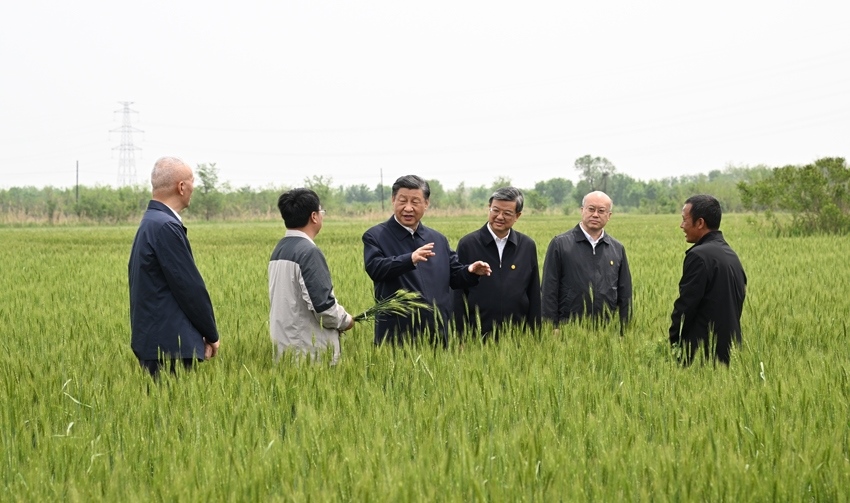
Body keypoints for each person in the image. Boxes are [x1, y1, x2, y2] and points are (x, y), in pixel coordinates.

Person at [362, 174, 492, 345]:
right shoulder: (376, 236)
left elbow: (454, 276)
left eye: (415, 202)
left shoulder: (437, 239)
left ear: (426, 203)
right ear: (393, 200)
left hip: (437, 335)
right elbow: (376, 269)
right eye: (402, 201)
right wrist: (410, 259)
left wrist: (470, 271)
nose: (408, 208)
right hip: (396, 337)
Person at [128, 156, 220, 377]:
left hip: (156, 342)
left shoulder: (151, 222)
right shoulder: (166, 226)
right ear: (181, 187)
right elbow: (189, 287)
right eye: (192, 181)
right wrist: (211, 334)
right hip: (171, 347)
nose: (193, 187)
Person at [268, 188, 355, 364]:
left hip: (285, 350)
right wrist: (346, 320)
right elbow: (323, 308)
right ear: (314, 216)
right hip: (310, 354)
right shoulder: (308, 252)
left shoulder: (279, 249)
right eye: (321, 211)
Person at [453, 187, 541, 340]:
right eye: (495, 210)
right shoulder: (468, 244)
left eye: (507, 213)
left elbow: (534, 294)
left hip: (517, 336)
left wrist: (535, 335)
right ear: (489, 208)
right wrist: (460, 336)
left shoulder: (527, 246)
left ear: (517, 216)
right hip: (477, 335)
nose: (499, 217)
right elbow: (457, 294)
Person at [669, 194, 747, 365]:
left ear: (700, 223)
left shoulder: (699, 256)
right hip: (731, 351)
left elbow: (686, 306)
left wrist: (673, 343)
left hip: (702, 354)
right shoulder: (731, 255)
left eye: (684, 220)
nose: (681, 225)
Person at [541, 190, 632, 333]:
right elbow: (548, 289)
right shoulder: (560, 244)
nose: (595, 214)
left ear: (609, 216)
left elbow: (625, 293)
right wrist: (551, 326)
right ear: (582, 210)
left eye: (601, 211)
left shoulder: (617, 248)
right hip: (569, 328)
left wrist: (624, 330)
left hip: (607, 330)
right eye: (591, 209)